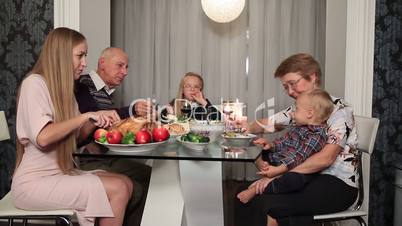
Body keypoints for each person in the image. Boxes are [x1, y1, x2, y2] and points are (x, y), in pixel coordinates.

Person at [12, 27, 132, 226]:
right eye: (80, 56)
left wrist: (94, 122)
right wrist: (85, 116)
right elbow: (43, 137)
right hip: (33, 183)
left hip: (60, 172)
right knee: (118, 187)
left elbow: (73, 139)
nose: (84, 63)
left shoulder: (65, 91)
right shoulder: (34, 84)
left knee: (126, 183)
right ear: (61, 56)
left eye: (85, 56)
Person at [236, 53, 358, 226]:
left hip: (337, 184)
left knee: (265, 203)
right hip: (307, 177)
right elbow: (270, 123)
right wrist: (244, 127)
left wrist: (280, 174)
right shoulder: (300, 109)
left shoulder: (338, 110)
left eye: (293, 84)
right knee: (242, 193)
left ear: (313, 77)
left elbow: (326, 158)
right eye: (286, 87)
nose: (290, 92)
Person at [75, 47, 152, 226]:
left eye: (126, 67)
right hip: (85, 159)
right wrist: (131, 110)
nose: (124, 72)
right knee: (138, 188)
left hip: (103, 155)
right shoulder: (83, 85)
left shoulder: (105, 92)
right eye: (119, 66)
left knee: (152, 175)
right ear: (102, 63)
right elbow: (92, 115)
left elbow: (108, 126)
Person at [237, 89, 334, 204]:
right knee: (255, 146)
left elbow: (298, 156)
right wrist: (271, 145)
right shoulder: (300, 126)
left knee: (292, 180)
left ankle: (256, 189)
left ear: (309, 113)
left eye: (296, 109)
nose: (292, 113)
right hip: (282, 161)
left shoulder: (317, 136)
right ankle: (265, 167)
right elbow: (284, 141)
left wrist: (278, 170)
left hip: (296, 168)